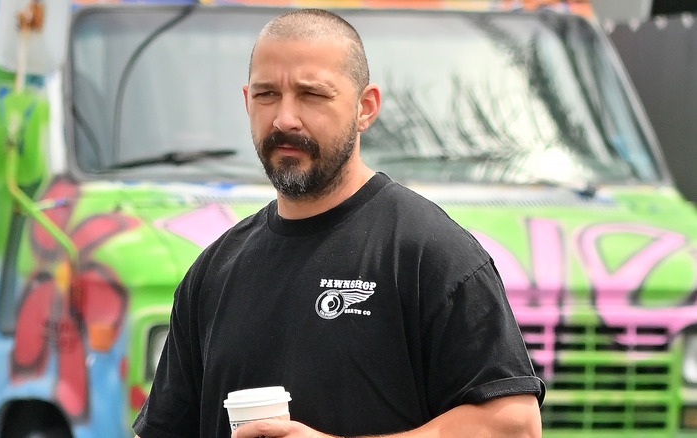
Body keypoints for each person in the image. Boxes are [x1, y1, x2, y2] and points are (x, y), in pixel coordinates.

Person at [133, 7, 545, 438]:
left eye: (312, 95)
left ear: (365, 108)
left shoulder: (430, 252)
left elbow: (513, 427)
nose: (285, 118)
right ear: (246, 101)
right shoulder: (213, 273)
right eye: (266, 94)